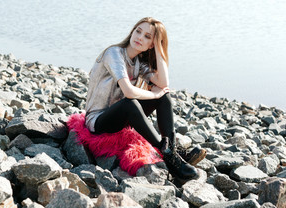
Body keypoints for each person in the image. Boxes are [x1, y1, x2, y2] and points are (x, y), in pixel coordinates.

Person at [85, 17, 206, 181]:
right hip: (98, 120)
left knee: (165, 98)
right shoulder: (113, 53)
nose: (139, 37)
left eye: (148, 37)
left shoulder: (138, 63)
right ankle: (169, 156)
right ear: (132, 31)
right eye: (138, 31)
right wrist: (155, 94)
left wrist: (158, 48)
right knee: (131, 103)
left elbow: (163, 83)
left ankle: (172, 150)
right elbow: (128, 92)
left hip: (120, 120)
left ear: (151, 44)